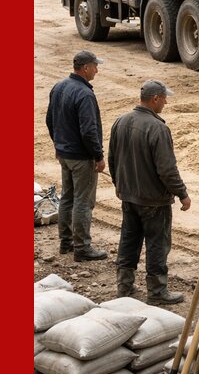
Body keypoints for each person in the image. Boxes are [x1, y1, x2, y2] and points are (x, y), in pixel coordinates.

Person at [108, 80, 191, 305]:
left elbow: (112, 158)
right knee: (157, 244)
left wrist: (119, 184)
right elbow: (166, 169)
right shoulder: (158, 128)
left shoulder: (121, 122)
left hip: (129, 195)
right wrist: (182, 193)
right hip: (154, 200)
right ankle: (157, 292)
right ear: (155, 99)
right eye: (164, 98)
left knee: (129, 239)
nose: (165, 102)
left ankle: (124, 286)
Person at [46, 51, 108, 261]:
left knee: (68, 198)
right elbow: (89, 131)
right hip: (81, 158)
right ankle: (82, 248)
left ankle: (66, 243)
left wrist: (59, 144)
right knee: (83, 201)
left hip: (64, 153)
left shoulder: (59, 87)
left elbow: (50, 120)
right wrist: (98, 156)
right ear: (85, 68)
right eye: (94, 66)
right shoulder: (85, 94)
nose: (97, 70)